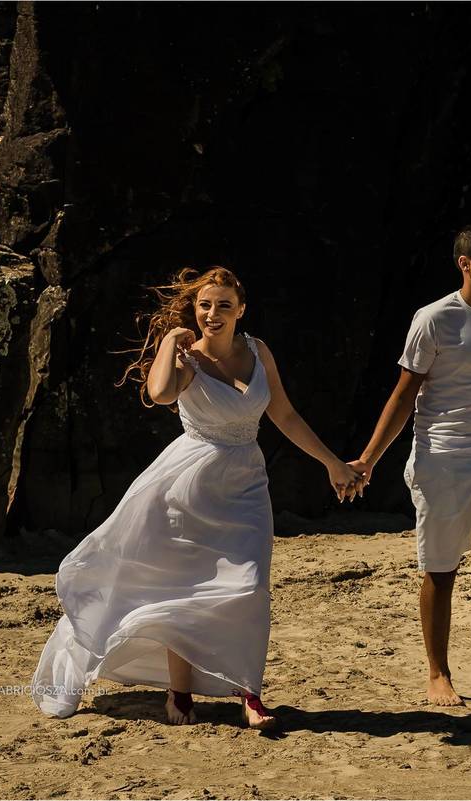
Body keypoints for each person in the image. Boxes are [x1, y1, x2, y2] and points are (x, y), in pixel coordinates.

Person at [31, 267, 360, 729]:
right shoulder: (187, 360)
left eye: (224, 305)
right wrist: (169, 342)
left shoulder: (259, 351)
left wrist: (331, 462)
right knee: (182, 589)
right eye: (205, 305)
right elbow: (160, 393)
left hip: (246, 483)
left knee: (248, 588)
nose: (213, 313)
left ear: (241, 310)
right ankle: (180, 691)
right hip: (188, 486)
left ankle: (250, 693)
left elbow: (283, 413)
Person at [345, 224, 471, 706]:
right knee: (440, 571)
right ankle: (438, 674)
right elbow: (404, 393)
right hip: (441, 458)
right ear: (465, 264)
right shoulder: (433, 319)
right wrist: (368, 459)